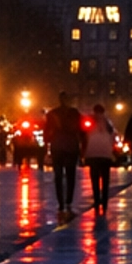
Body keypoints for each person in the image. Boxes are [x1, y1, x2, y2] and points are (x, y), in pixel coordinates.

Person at [43, 90, 87, 218]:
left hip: (57, 145)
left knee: (58, 175)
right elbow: (81, 131)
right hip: (71, 146)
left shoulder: (52, 114)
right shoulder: (75, 113)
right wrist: (82, 147)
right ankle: (69, 201)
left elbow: (47, 132)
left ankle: (61, 202)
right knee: (70, 175)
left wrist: (47, 146)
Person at [83, 101, 116, 218]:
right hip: (105, 155)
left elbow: (84, 137)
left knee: (95, 179)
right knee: (106, 180)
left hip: (92, 154)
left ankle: (97, 200)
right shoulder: (108, 123)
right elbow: (113, 136)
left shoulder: (89, 122)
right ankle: (105, 202)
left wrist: (84, 153)